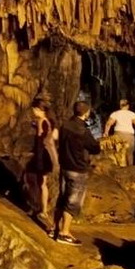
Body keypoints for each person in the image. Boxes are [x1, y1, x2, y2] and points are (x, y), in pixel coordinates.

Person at [54, 101, 101, 246]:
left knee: (62, 198)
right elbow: (95, 148)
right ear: (86, 113)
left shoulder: (65, 125)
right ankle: (64, 233)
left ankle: (54, 228)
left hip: (65, 166)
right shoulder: (83, 130)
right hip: (78, 169)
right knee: (73, 202)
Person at [24, 99, 58, 229]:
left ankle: (39, 207)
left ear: (40, 110)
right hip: (42, 156)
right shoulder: (47, 122)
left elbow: (44, 140)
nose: (33, 111)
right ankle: (41, 209)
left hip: (42, 157)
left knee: (37, 182)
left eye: (34, 109)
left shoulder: (43, 122)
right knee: (40, 183)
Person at [104, 99, 135, 166]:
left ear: (120, 106)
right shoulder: (132, 114)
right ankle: (129, 169)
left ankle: (118, 169)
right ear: (128, 106)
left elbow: (108, 124)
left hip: (118, 135)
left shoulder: (115, 113)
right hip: (128, 136)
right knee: (129, 154)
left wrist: (106, 132)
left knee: (118, 153)